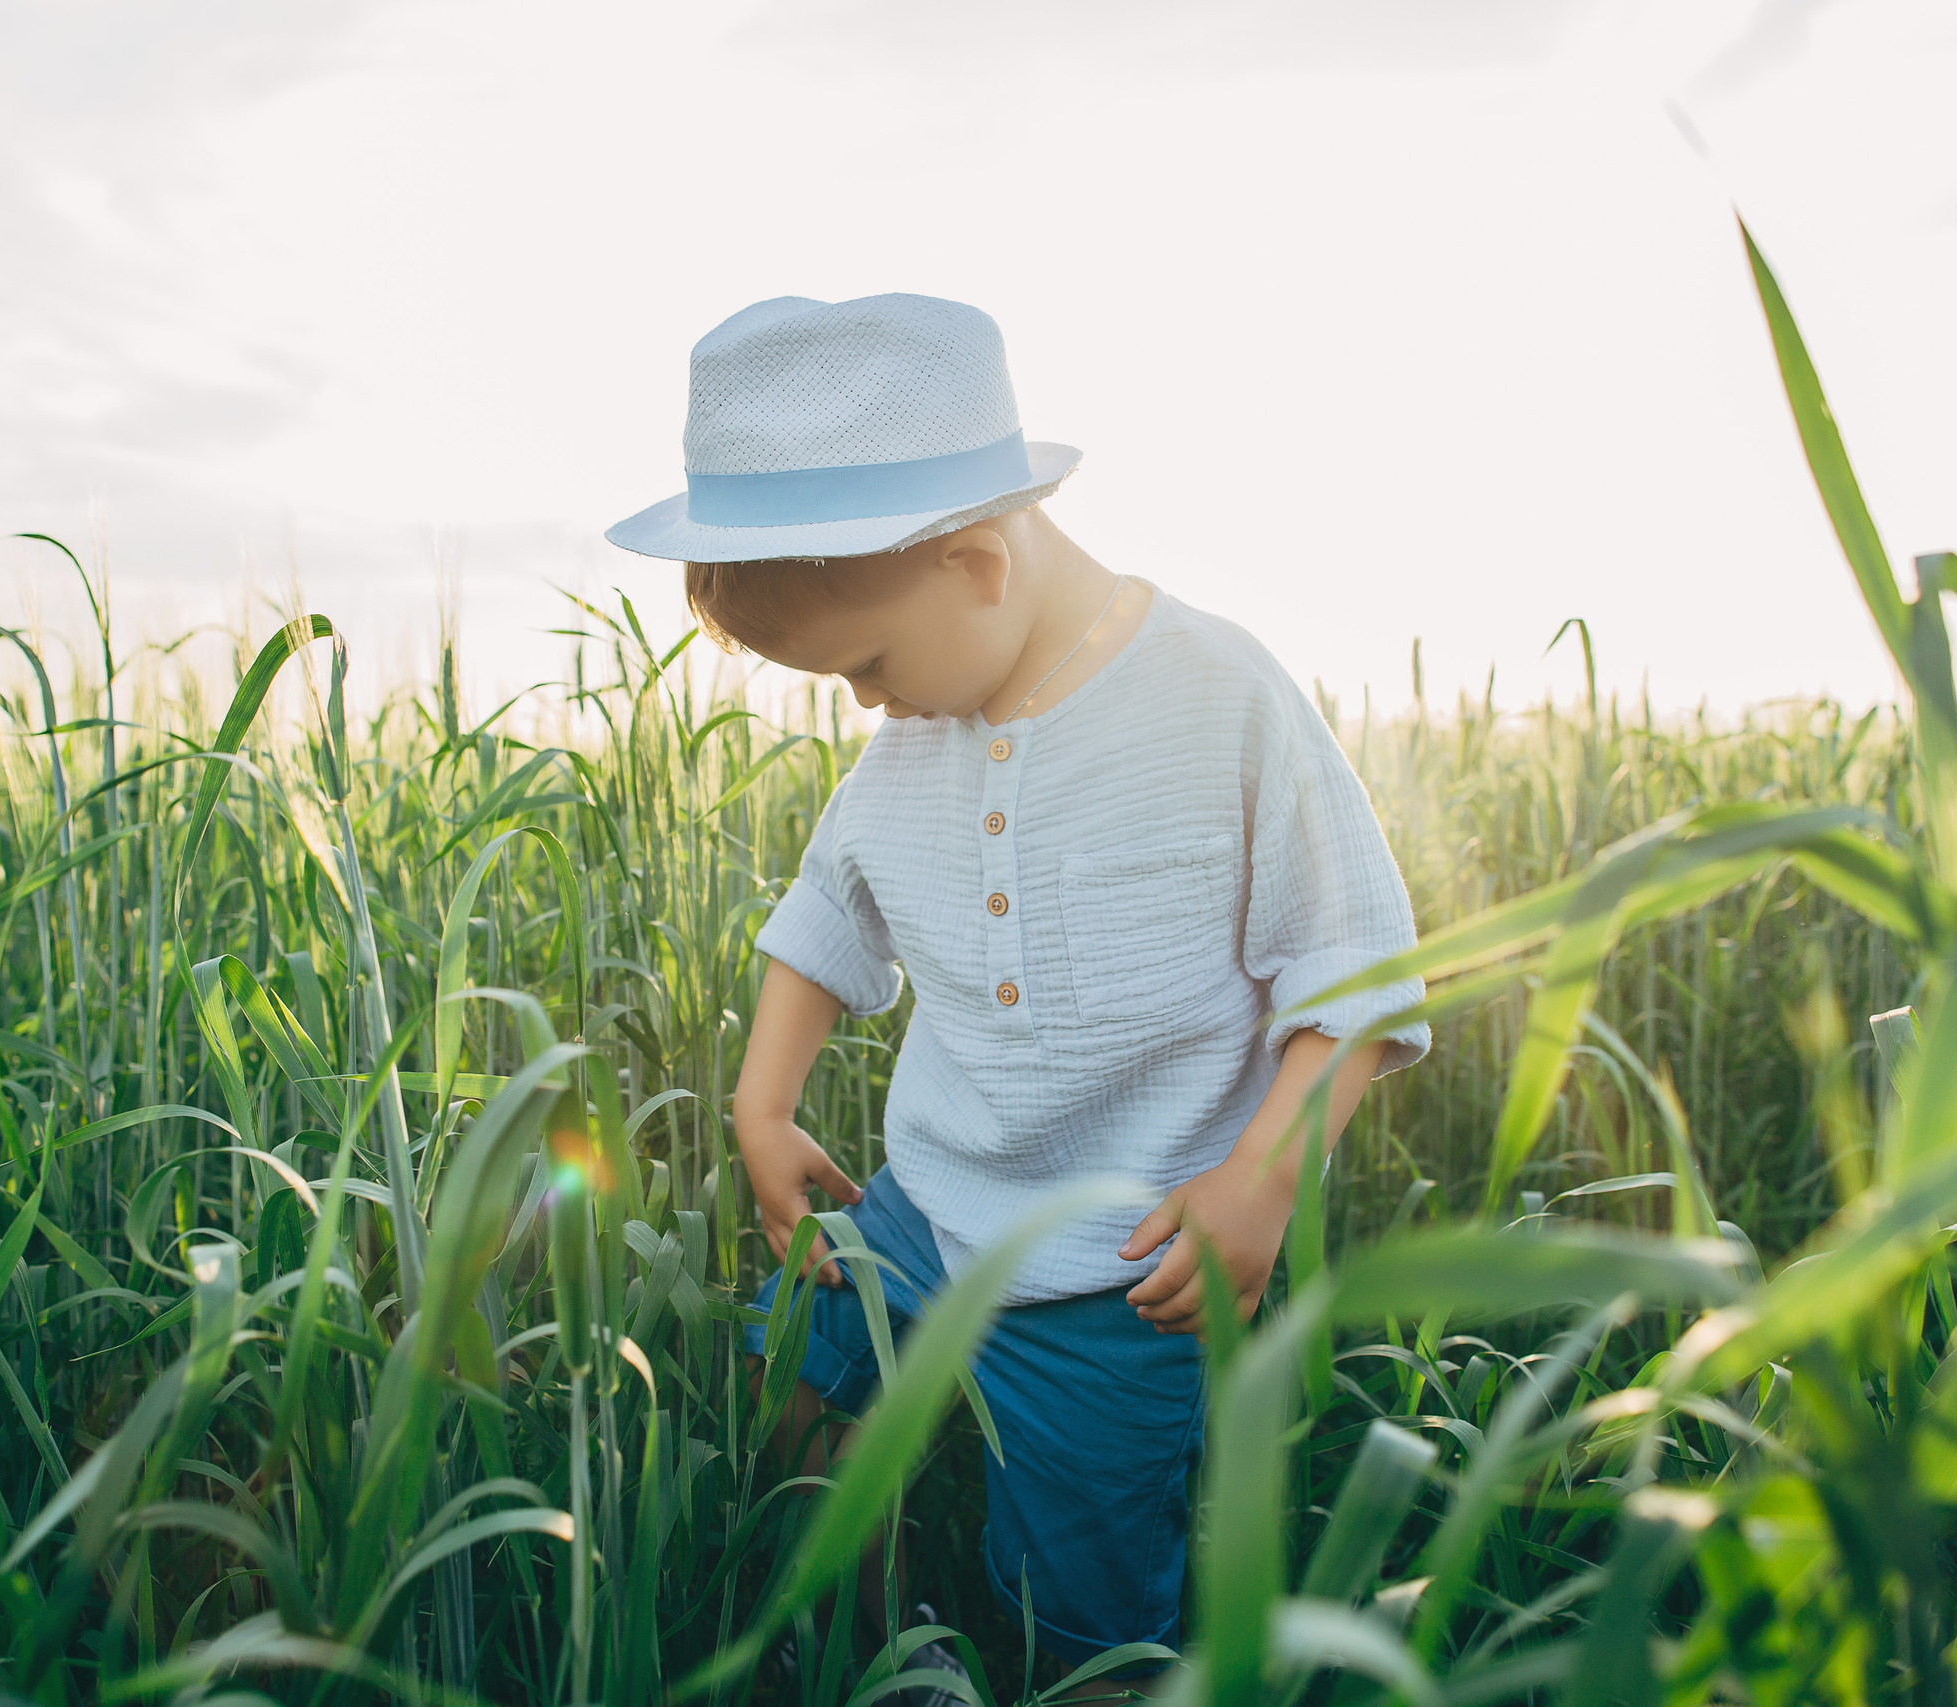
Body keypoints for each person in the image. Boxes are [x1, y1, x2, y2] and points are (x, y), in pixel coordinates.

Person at [604, 293, 1429, 1680]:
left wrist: (1264, 1179)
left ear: (980, 561)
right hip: (920, 1209)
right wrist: (762, 1102)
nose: (866, 704)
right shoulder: (917, 738)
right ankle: (859, 1642)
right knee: (797, 1388)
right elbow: (826, 912)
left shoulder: (1220, 701)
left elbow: (1350, 964)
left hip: (1119, 1269)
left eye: (865, 665)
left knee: (1087, 1597)